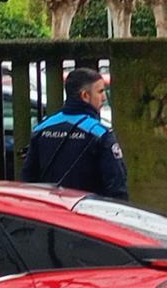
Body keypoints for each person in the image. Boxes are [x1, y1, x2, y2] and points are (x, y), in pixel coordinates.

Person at [21, 68, 127, 199]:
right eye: (100, 92)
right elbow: (116, 185)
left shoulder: (42, 128)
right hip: (86, 211)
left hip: (50, 210)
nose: (104, 97)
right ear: (85, 96)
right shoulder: (99, 134)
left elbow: (28, 179)